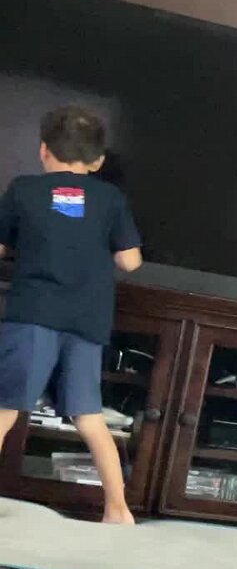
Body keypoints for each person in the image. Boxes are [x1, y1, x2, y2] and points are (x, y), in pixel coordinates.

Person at [0, 107, 142, 525]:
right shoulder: (111, 198)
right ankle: (118, 509)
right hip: (88, 319)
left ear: (44, 150)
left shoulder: (24, 189)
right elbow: (130, 261)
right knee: (89, 416)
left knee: (5, 410)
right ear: (97, 161)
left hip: (34, 313)